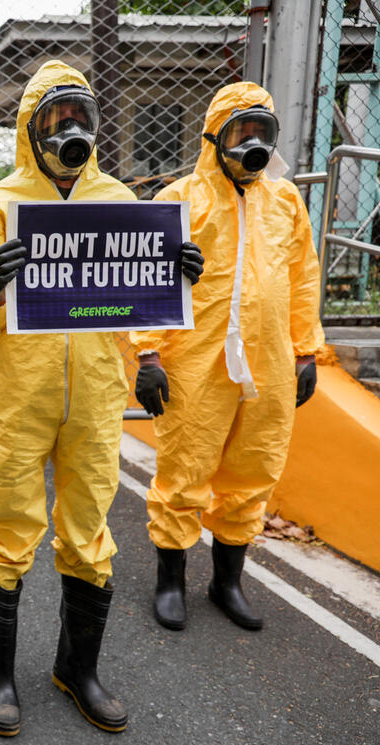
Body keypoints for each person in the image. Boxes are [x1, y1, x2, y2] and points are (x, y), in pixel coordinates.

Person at [0, 61, 204, 737]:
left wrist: (175, 284)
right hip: (23, 395)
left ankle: (78, 669)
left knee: (89, 526)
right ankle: (0, 675)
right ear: (31, 129)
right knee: (7, 523)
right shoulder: (2, 202)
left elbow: (139, 295)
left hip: (95, 394)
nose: (71, 131)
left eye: (81, 119)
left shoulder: (118, 200)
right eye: (57, 119)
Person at [131, 82, 324, 633]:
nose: (252, 144)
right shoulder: (178, 199)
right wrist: (148, 354)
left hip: (270, 359)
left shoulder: (285, 201)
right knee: (185, 467)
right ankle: (171, 582)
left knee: (253, 468)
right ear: (214, 137)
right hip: (195, 360)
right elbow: (146, 281)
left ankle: (227, 582)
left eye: (263, 132)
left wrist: (305, 350)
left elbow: (302, 277)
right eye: (242, 132)